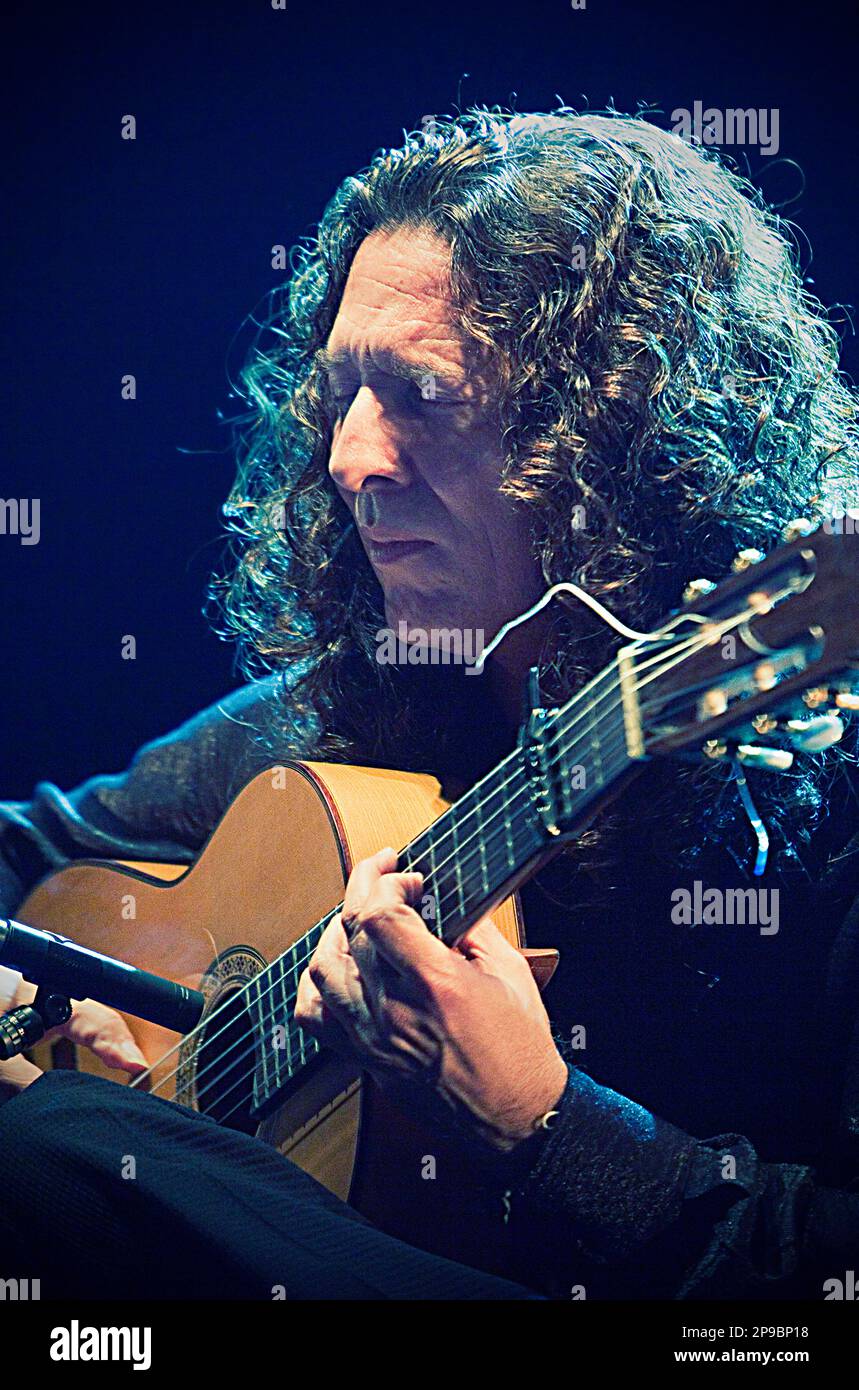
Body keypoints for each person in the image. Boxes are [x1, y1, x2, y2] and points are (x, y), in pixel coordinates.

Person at [1, 107, 858, 1300]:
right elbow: (22, 862)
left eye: (419, 393)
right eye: (340, 392)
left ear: (607, 430)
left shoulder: (823, 789)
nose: (350, 458)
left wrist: (548, 1122)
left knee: (50, 1158)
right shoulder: (358, 704)